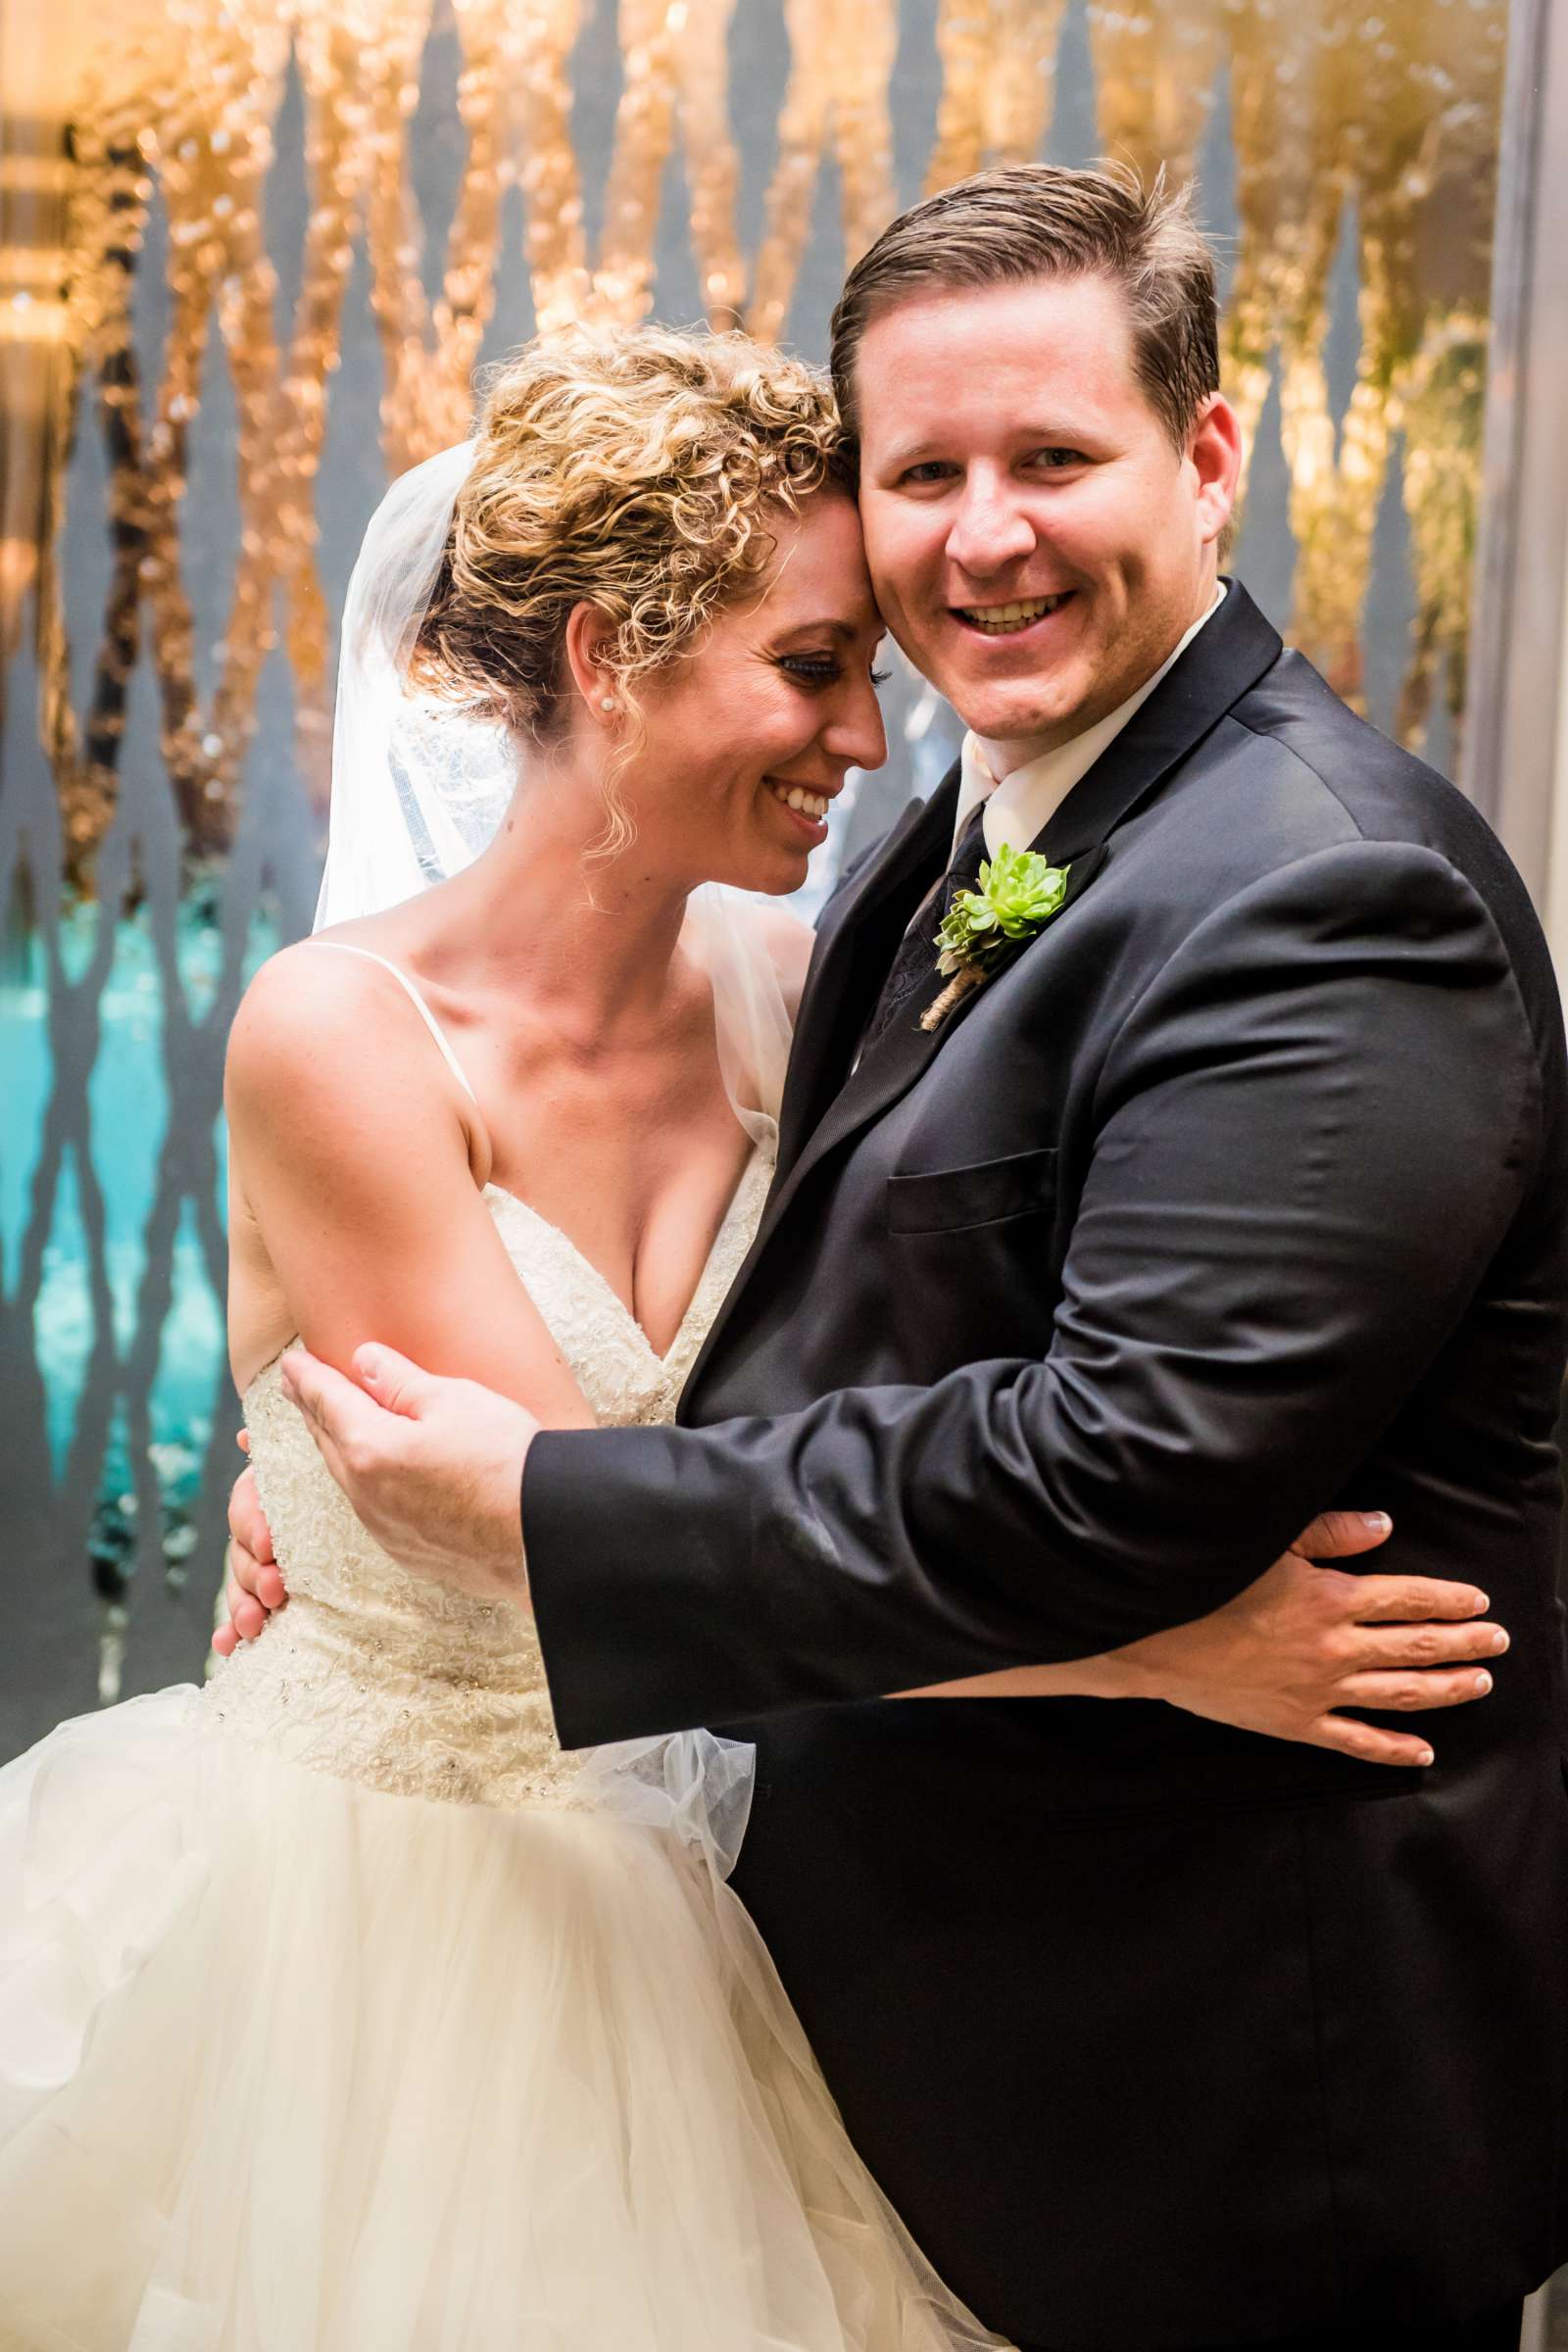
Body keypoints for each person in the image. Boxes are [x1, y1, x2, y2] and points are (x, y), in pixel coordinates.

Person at [0, 320, 1484, 2347]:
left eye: (861, 671)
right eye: (810, 667)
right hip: (373, 1925)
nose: (865, 740)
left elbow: (820, 1438)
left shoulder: (791, 977)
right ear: (610, 657)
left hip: (710, 1894)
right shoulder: (338, 1037)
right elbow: (592, 1548)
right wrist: (1172, 1654)